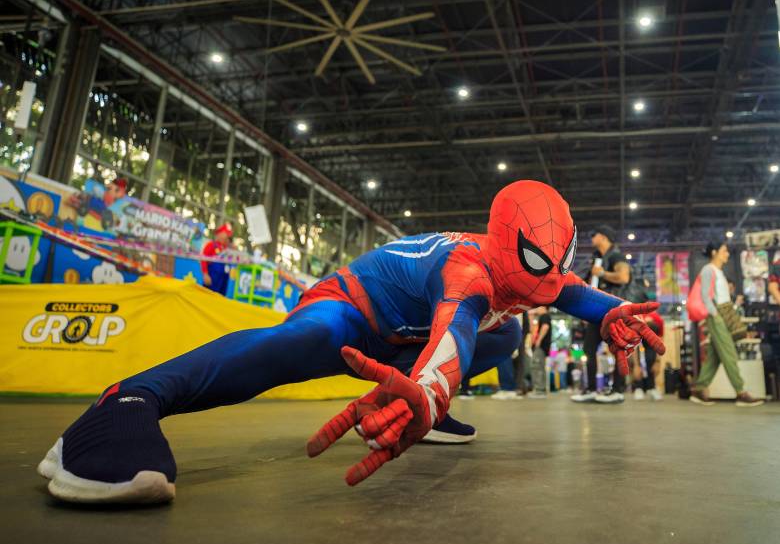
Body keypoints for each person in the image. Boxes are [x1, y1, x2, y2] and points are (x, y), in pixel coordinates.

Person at [37, 180, 664, 504]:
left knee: (506, 339)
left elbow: (573, 292)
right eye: (539, 266)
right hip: (349, 305)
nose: (549, 282)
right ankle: (128, 401)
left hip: (401, 334)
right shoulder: (470, 272)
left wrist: (609, 312)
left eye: (558, 264)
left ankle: (421, 394)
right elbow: (457, 329)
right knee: (295, 347)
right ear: (508, 246)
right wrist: (431, 388)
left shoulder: (532, 268)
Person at [689, 242, 763, 407]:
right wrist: (714, 314)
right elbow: (705, 295)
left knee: (716, 355)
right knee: (729, 352)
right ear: (714, 252)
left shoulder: (718, 271)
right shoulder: (709, 269)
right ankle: (741, 392)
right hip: (716, 314)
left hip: (723, 312)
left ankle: (700, 389)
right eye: (724, 250)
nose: (727, 254)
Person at [572, 225, 631, 404]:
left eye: (595, 234)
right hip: (597, 311)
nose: (592, 237)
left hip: (613, 309)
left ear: (604, 237)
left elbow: (624, 278)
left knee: (618, 349)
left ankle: (617, 391)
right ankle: (590, 389)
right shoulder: (597, 258)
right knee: (589, 349)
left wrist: (603, 273)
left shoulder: (616, 256)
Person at [200, 223, 233, 296]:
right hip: (212, 279)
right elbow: (203, 259)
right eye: (226, 234)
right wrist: (205, 274)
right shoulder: (211, 245)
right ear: (220, 234)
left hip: (223, 280)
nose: (227, 237)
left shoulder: (227, 249)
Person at [528, 306, 552, 398]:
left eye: (538, 307)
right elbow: (532, 330)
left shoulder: (545, 316)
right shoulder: (541, 318)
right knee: (538, 366)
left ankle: (539, 390)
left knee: (537, 366)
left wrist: (539, 340)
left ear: (544, 307)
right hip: (540, 347)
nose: (536, 308)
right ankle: (540, 389)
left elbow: (545, 327)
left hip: (541, 346)